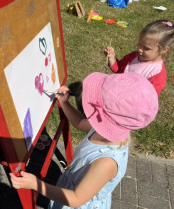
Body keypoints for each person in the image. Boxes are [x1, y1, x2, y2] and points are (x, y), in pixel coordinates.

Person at [10, 72, 159, 209]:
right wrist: (64, 103)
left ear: (106, 118)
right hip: (71, 186)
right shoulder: (102, 128)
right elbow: (80, 123)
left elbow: (75, 199)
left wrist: (36, 184)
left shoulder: (106, 162)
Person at [105, 19, 174, 96]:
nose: (140, 49)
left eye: (146, 48)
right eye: (139, 44)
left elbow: (150, 98)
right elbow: (119, 70)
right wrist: (111, 58)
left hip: (132, 104)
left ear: (163, 50)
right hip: (116, 95)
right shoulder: (133, 56)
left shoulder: (157, 73)